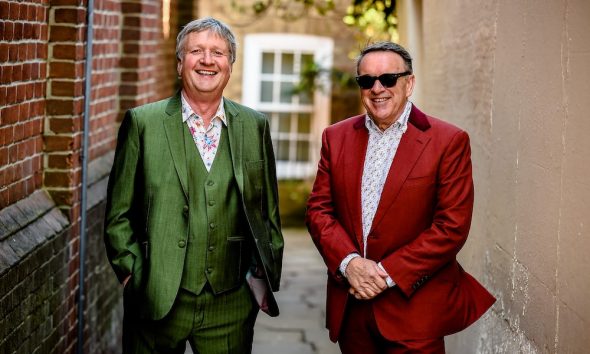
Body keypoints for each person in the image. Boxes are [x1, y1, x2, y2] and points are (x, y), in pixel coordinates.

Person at [104, 17, 284, 354]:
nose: (207, 60)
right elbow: (118, 214)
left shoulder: (254, 125)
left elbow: (267, 210)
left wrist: (262, 277)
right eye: (196, 51)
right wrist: (133, 278)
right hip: (157, 298)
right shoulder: (143, 123)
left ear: (230, 65)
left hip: (230, 302)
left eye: (218, 52)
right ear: (179, 63)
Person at [305, 41, 495, 353]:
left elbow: (451, 226)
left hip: (415, 315)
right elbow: (319, 211)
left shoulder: (448, 141)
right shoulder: (335, 137)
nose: (377, 88)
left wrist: (384, 274)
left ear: (409, 83)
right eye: (367, 81)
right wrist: (349, 263)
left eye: (388, 79)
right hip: (353, 310)